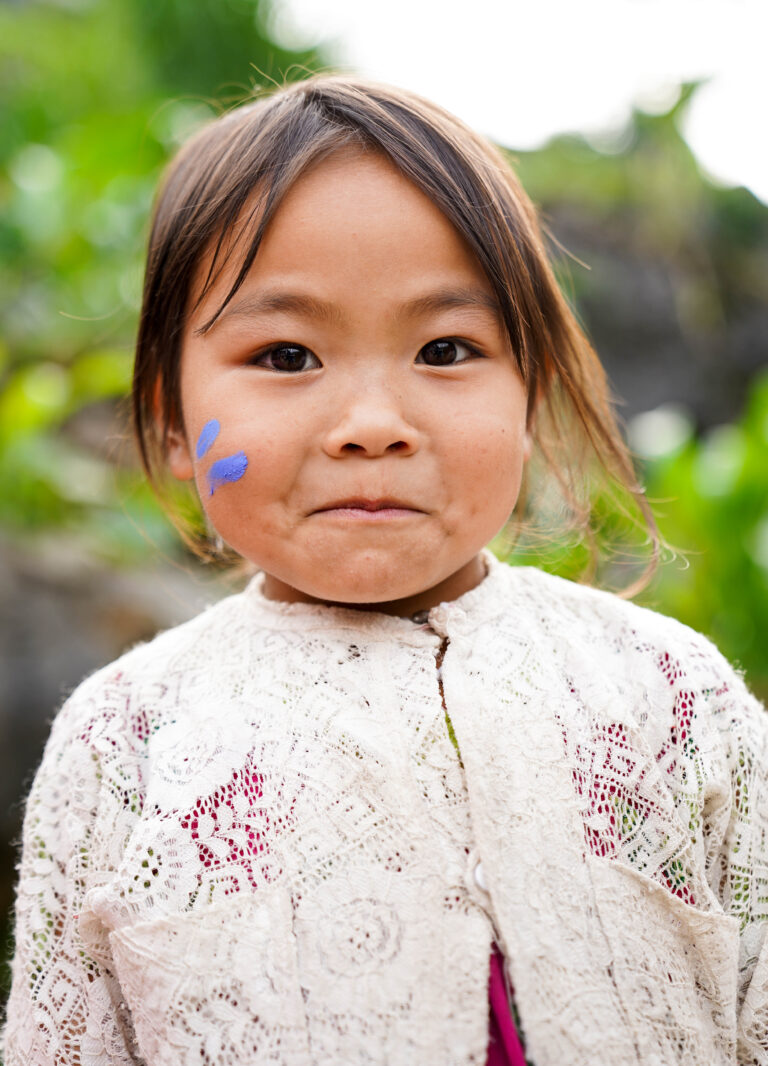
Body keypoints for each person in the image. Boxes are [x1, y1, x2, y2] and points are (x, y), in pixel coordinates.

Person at [3, 74, 767, 1066]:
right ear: (171, 421)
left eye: (446, 348)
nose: (372, 427)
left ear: (531, 399)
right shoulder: (128, 740)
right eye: (286, 355)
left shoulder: (674, 697)